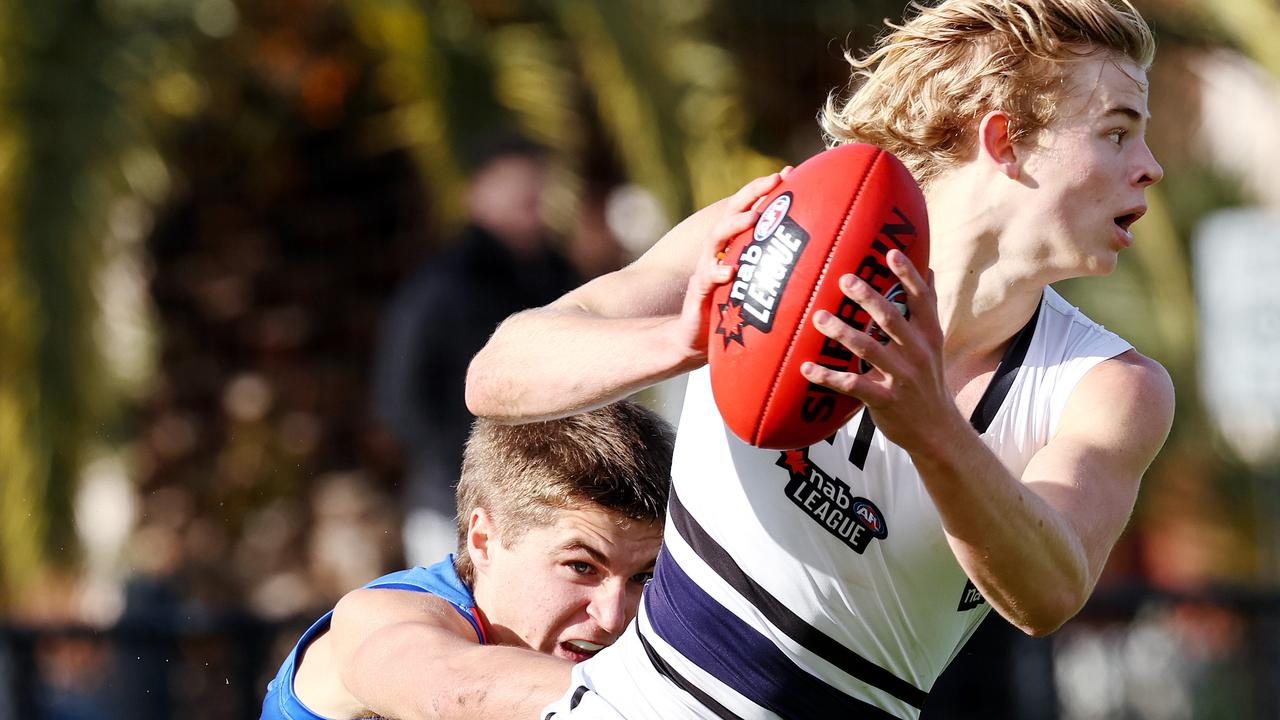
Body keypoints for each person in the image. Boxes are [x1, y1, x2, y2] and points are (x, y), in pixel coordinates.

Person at [464, 1, 1175, 718]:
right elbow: (497, 373)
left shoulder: (1111, 386)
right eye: (1117, 133)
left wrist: (931, 424)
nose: (1151, 168)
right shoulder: (772, 231)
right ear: (1004, 140)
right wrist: (681, 340)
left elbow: (1049, 593)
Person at [259, 400, 674, 720]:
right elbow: (454, 690)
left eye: (642, 576)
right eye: (582, 567)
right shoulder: (381, 615)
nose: (613, 617)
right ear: (484, 540)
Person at [373, 134, 580, 566]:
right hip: (450, 500)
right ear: (477, 193)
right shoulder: (443, 285)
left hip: (555, 500)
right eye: (513, 185)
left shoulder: (560, 275)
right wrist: (469, 468)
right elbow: (400, 397)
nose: (529, 198)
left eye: (535, 186)